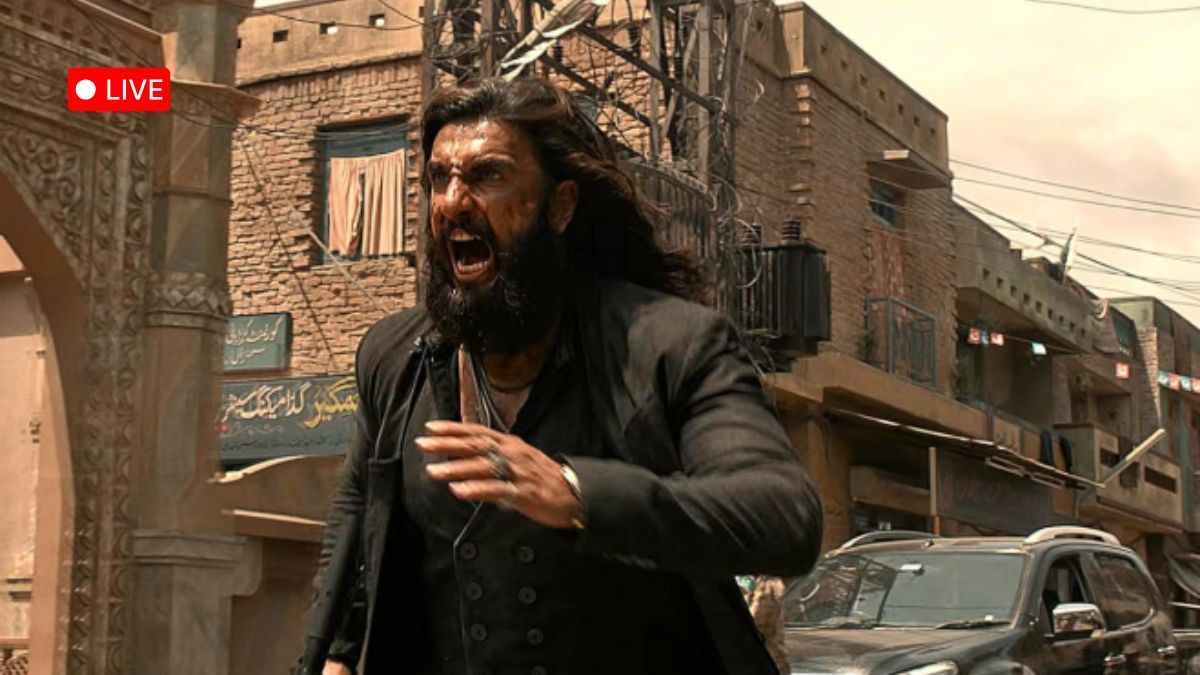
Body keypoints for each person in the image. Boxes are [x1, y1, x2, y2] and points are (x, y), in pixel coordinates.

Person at [299, 77, 823, 675]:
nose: (453, 202)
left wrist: (578, 494)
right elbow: (358, 513)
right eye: (439, 179)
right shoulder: (396, 358)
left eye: (487, 176)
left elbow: (785, 516)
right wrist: (336, 654)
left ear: (560, 206)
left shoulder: (669, 345)